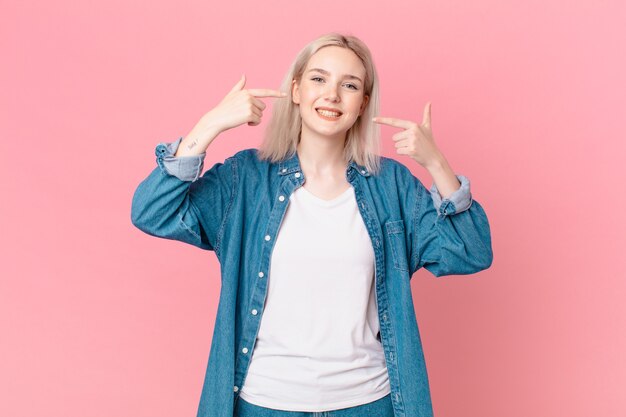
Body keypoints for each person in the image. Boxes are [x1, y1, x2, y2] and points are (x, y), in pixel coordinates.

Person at [131, 32, 493, 417]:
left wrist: (437, 165)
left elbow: (470, 252)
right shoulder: (246, 178)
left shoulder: (392, 185)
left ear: (362, 104)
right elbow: (152, 212)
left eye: (349, 85)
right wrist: (210, 125)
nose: (332, 94)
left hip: (368, 403)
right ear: (296, 90)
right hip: (265, 403)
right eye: (319, 79)